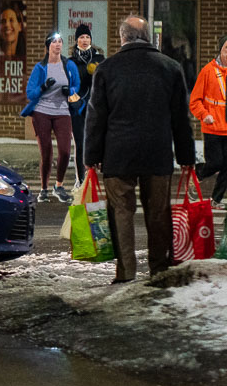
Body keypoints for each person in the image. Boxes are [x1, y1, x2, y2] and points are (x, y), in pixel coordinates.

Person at [83, 16, 197, 283]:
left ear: (122, 37)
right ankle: (159, 268)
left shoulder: (107, 69)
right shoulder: (170, 67)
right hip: (157, 152)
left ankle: (126, 272)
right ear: (148, 37)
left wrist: (92, 156)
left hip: (118, 153)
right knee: (158, 213)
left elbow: (96, 117)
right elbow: (180, 118)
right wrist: (186, 156)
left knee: (121, 212)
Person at [21, 31, 81, 202]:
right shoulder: (40, 67)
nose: (58, 44)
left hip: (62, 111)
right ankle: (44, 188)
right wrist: (43, 87)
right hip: (42, 112)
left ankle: (59, 186)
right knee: (46, 152)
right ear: (48, 46)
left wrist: (70, 90)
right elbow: (30, 93)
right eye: (54, 42)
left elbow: (76, 84)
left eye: (60, 41)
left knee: (65, 151)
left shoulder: (68, 65)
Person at [189, 33, 227, 209]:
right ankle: (197, 174)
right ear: (220, 50)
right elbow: (195, 101)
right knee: (216, 163)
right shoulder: (208, 71)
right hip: (213, 127)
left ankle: (216, 200)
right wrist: (204, 115)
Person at [67, 23, 105, 184]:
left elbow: (105, 82)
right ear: (76, 40)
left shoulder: (99, 59)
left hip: (95, 106)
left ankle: (94, 176)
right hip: (77, 107)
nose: (84, 40)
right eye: (81, 37)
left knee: (96, 142)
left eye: (87, 37)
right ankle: (80, 180)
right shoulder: (71, 62)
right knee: (80, 143)